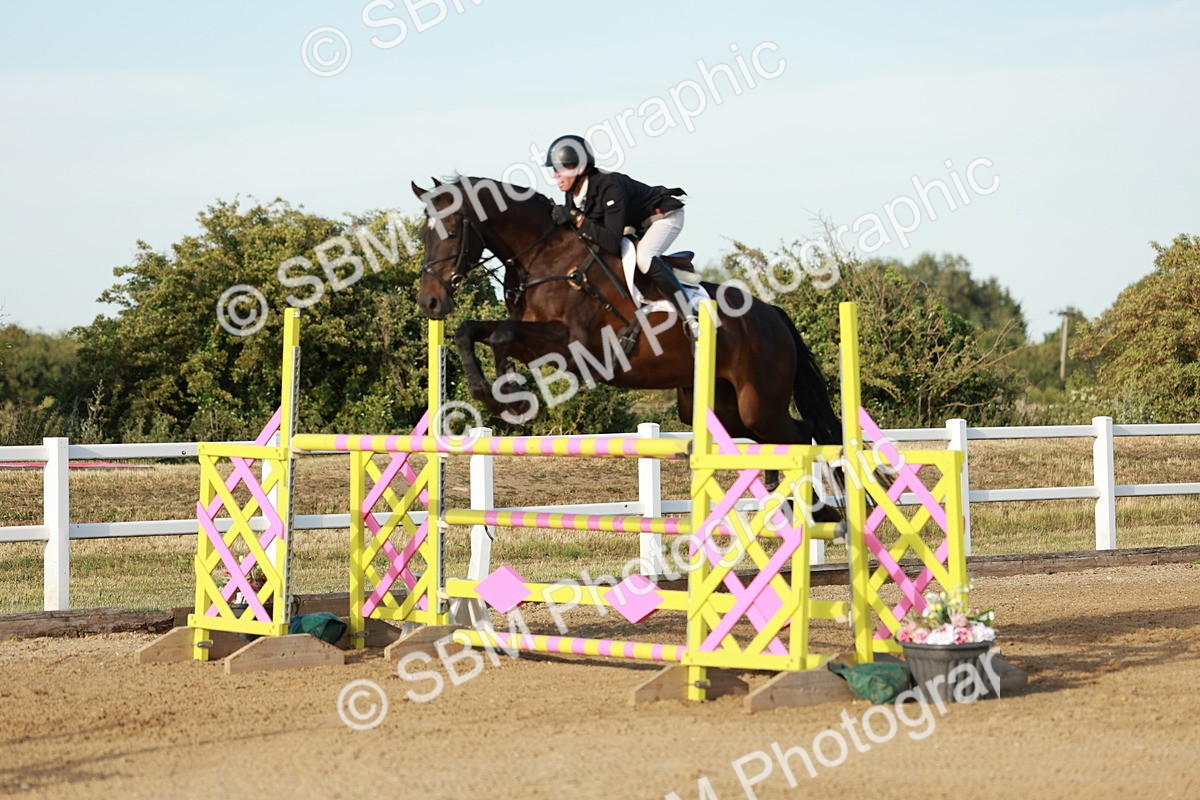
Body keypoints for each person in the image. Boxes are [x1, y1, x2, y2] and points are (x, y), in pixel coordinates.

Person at [544, 134, 698, 339]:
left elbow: (611, 242)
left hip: (663, 217)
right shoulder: (572, 193)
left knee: (644, 258)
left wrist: (578, 220)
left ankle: (690, 316)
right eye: (554, 169)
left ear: (580, 169)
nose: (556, 175)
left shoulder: (609, 186)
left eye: (562, 168)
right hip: (636, 224)